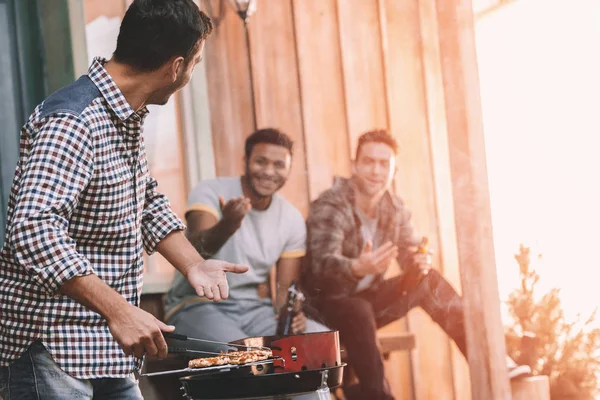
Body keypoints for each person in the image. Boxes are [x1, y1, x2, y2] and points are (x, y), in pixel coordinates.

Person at [0, 1, 249, 399]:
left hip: (105, 346)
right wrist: (120, 310)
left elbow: (145, 201)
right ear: (174, 66)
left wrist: (194, 265)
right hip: (52, 350)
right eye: (195, 63)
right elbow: (33, 230)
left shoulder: (123, 116)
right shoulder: (73, 121)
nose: (190, 73)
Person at [301, 130, 531, 400]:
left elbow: (410, 253)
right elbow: (321, 264)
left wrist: (420, 261)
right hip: (324, 308)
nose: (376, 170)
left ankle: (491, 362)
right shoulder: (333, 203)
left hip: (364, 305)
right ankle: (376, 395)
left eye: (384, 164)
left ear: (393, 170)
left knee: (427, 279)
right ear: (355, 165)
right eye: (369, 162)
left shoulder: (394, 208)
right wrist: (355, 268)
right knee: (358, 308)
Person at [165, 129, 328, 351]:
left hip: (254, 311)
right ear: (245, 161)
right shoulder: (211, 191)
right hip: (196, 305)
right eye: (261, 162)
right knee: (247, 355)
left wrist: (291, 316)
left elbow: (283, 292)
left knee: (318, 341)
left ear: (289, 169)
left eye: (279, 165)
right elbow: (195, 251)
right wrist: (227, 225)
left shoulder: (291, 218)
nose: (269, 172)